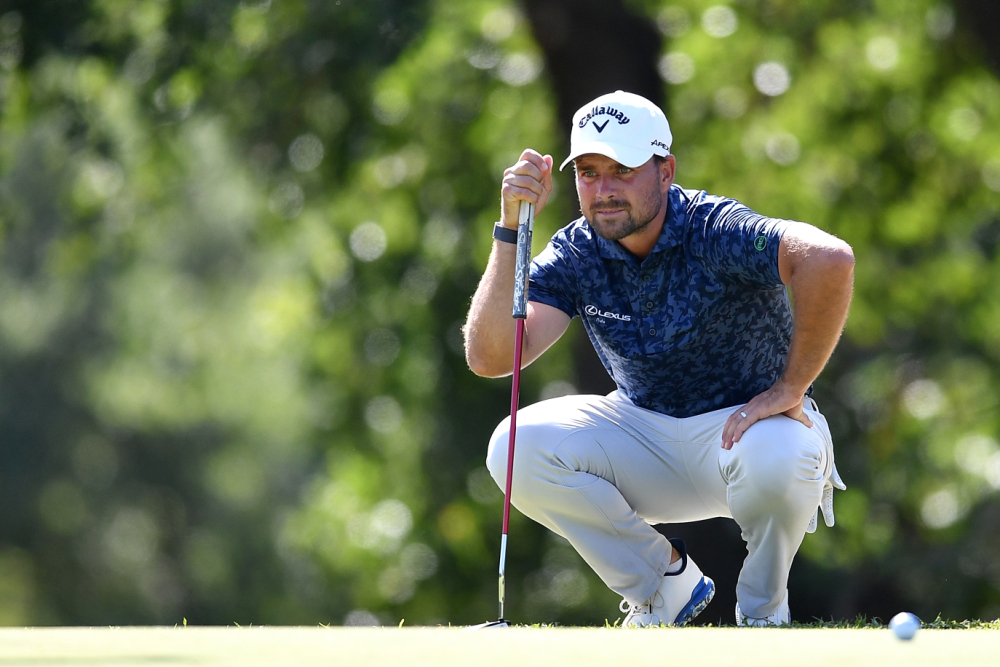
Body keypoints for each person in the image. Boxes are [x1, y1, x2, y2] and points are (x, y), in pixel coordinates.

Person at [463, 90, 854, 627]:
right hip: (643, 435)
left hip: (744, 435)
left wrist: (792, 388)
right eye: (589, 173)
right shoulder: (578, 251)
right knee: (513, 446)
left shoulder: (713, 229)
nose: (604, 191)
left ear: (665, 170)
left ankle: (764, 615)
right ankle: (662, 585)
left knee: (781, 456)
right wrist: (510, 230)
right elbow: (490, 357)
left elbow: (829, 259)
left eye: (623, 170)